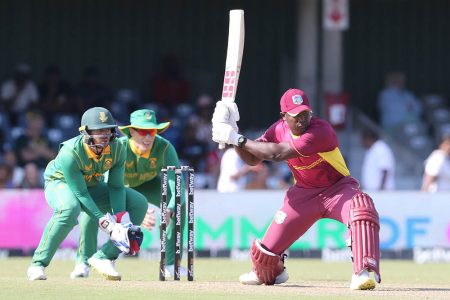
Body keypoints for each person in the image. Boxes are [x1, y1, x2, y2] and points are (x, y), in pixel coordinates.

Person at [211, 88, 381, 290]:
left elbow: (277, 154)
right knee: (264, 257)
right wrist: (234, 133)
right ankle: (274, 272)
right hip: (303, 195)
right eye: (295, 115)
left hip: (337, 189)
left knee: (362, 209)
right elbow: (253, 158)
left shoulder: (321, 131)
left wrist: (236, 138)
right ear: (284, 117)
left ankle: (361, 274)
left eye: (305, 114)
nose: (302, 119)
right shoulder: (278, 129)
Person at [26, 107, 148, 281]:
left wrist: (120, 220)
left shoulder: (118, 148)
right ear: (86, 132)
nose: (105, 135)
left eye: (108, 129)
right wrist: (108, 224)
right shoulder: (70, 153)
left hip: (92, 184)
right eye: (99, 130)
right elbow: (80, 193)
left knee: (138, 202)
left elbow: (116, 187)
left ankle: (104, 257)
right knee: (69, 209)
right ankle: (37, 265)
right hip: (60, 183)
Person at [70, 109, 187, 279]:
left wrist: (169, 209)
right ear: (131, 131)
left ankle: (170, 263)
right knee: (91, 212)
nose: (148, 137)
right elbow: (109, 185)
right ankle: (83, 262)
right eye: (143, 131)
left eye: (152, 131)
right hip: (118, 188)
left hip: (149, 185)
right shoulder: (118, 146)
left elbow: (178, 185)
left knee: (179, 206)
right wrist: (141, 209)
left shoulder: (165, 148)